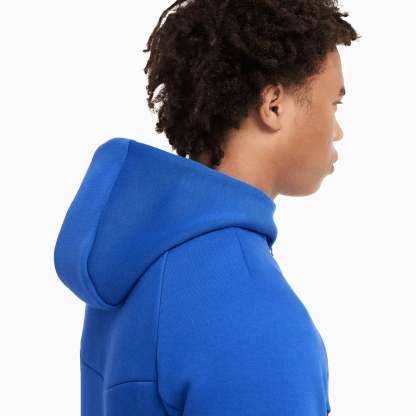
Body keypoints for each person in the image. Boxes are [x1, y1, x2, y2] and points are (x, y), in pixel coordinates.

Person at [54, 1, 359, 415]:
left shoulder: (139, 263)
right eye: (334, 104)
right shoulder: (255, 318)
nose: (337, 130)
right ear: (273, 105)